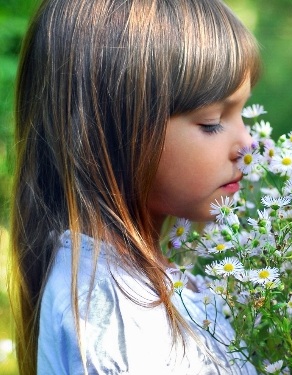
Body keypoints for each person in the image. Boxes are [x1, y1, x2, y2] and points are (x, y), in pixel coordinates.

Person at [8, 0, 260, 373]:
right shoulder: (110, 314)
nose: (249, 143)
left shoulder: (130, 284)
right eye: (211, 122)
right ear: (112, 134)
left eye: (242, 112)